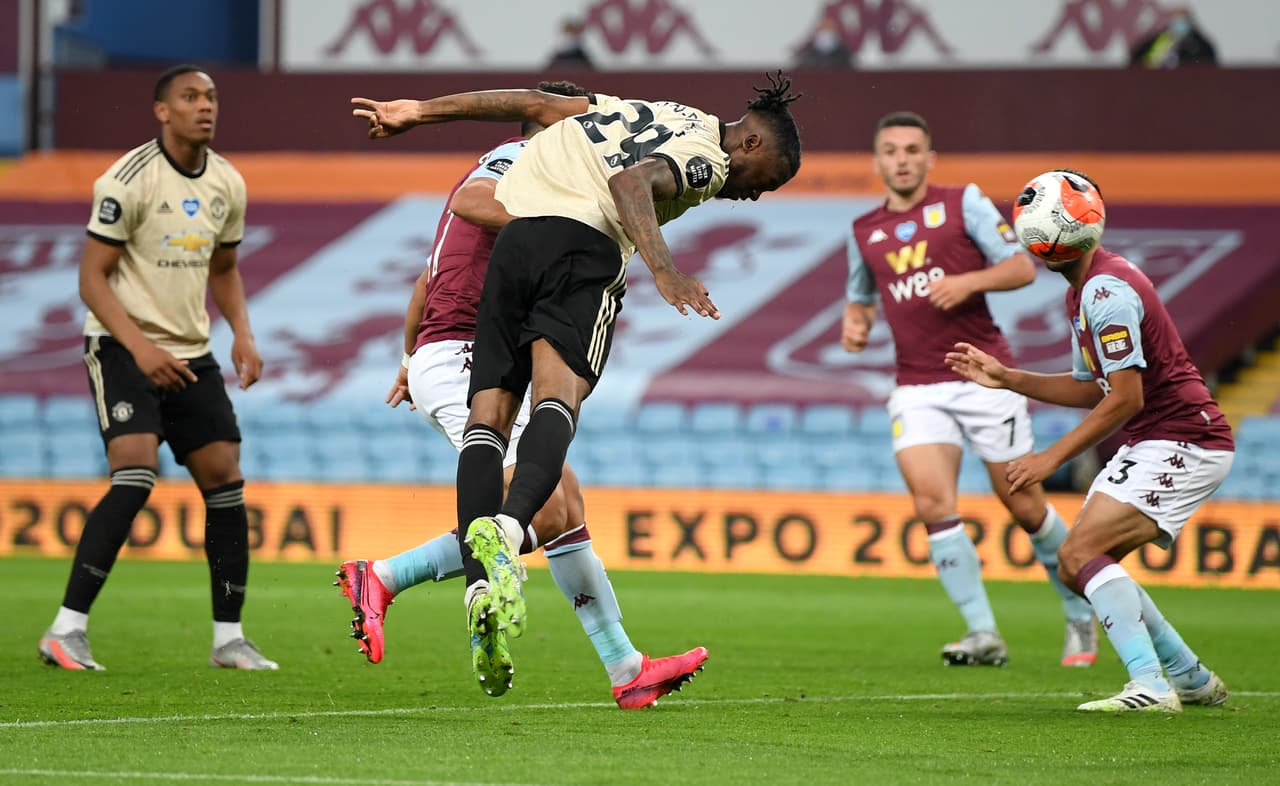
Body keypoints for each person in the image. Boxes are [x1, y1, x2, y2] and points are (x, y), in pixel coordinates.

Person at [352, 71, 802, 698]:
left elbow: (532, 106)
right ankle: (413, 570)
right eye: (768, 180)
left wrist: (420, 111)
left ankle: (611, 659)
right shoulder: (689, 156)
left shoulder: (653, 110)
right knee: (553, 436)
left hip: (486, 297)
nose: (755, 195)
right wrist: (664, 270)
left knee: (550, 488)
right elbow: (611, 184)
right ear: (752, 144)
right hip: (524, 285)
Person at [946, 168, 1233, 712]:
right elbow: (1093, 388)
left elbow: (1126, 399)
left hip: (1186, 439)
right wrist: (1009, 378)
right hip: (1161, 437)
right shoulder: (1088, 290)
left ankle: (1151, 685)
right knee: (1079, 566)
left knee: (1079, 554)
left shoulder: (1106, 293)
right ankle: (1189, 677)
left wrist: (1048, 459)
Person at [38, 65, 275, 671]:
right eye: (190, 97)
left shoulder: (227, 182)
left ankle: (229, 639)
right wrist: (142, 350)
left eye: (211, 97)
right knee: (135, 472)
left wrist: (243, 333)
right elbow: (91, 278)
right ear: (162, 111)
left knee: (225, 479)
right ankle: (65, 630)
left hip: (191, 352)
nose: (205, 106)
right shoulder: (127, 179)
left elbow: (224, 269)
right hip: (122, 348)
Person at [842, 111, 1097, 668]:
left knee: (1025, 506)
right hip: (916, 385)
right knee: (932, 503)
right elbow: (860, 298)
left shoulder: (963, 203)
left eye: (912, 150)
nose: (902, 159)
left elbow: (1021, 269)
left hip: (984, 376)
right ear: (878, 161)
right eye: (892, 150)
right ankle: (983, 632)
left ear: (929, 158)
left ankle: (1079, 608)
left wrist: (967, 282)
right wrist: (855, 325)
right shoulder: (864, 230)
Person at [1129, 6, 1217, 69]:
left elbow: (1210, 58)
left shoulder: (1197, 43)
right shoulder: (1159, 40)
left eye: (1183, 18)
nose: (1179, 21)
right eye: (1176, 17)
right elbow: (1137, 58)